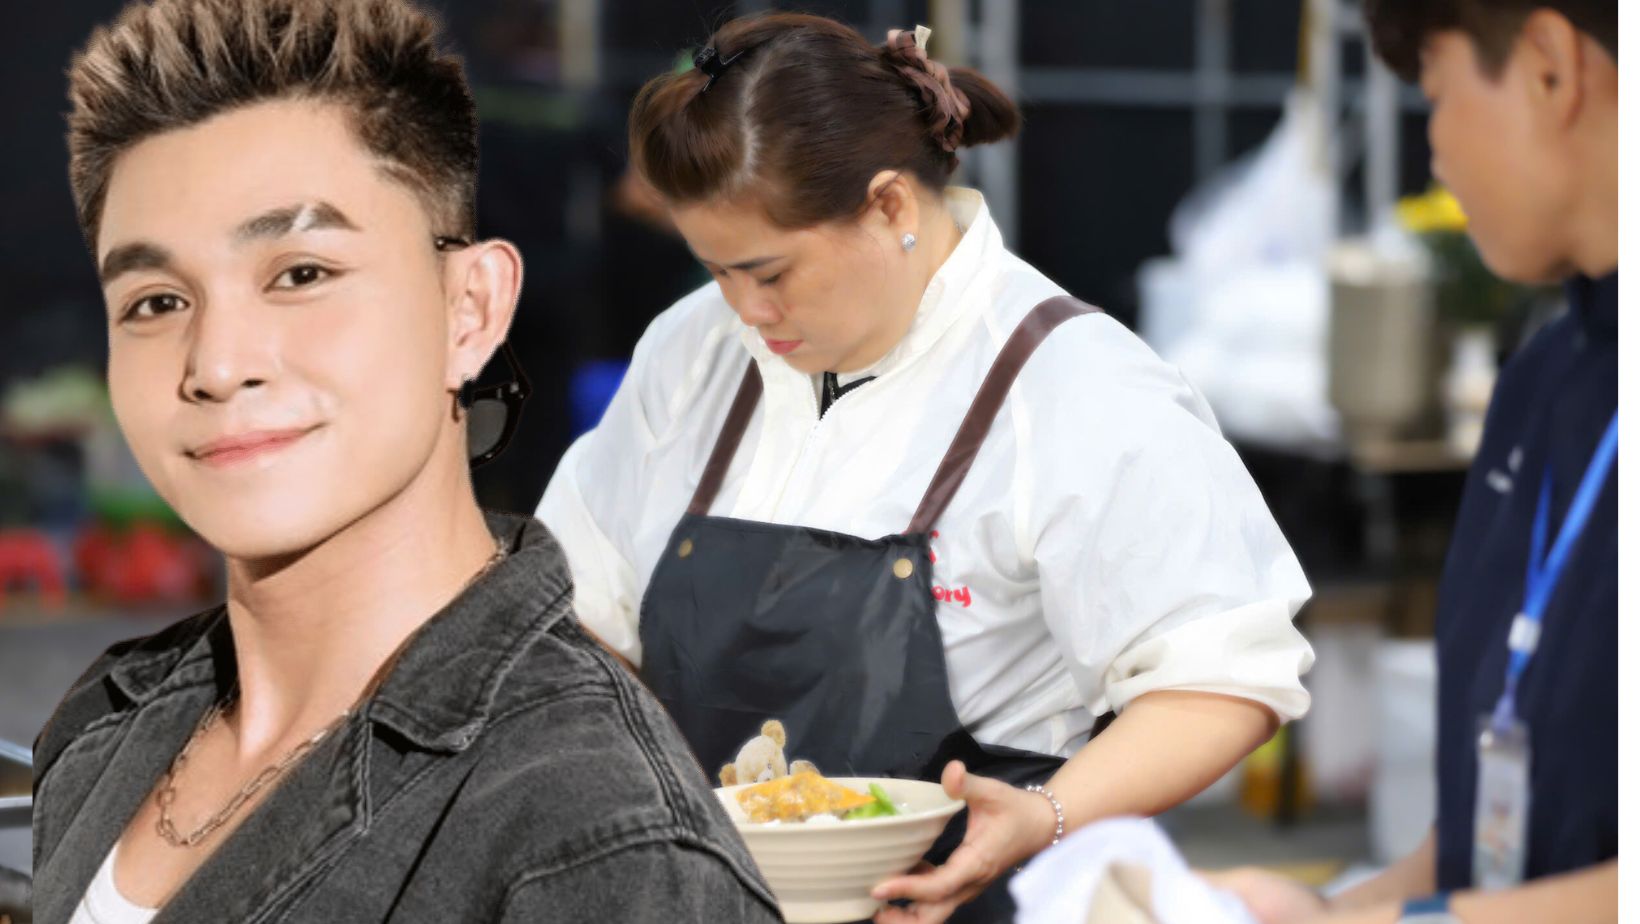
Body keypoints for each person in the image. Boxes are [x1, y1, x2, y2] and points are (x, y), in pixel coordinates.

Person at [537, 12, 1317, 923]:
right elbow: (582, 610)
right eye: (716, 273)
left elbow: (1217, 680)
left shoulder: (1077, 386)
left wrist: (1041, 816)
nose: (745, 310)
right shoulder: (692, 354)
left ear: (891, 207)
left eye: (771, 271)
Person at [31, 1, 782, 921]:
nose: (217, 364)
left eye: (301, 273)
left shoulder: (595, 845)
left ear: (467, 310)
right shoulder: (102, 728)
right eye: (154, 301)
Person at [1209, 2, 1617, 922]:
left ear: (1551, 67)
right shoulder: (1543, 385)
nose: (1436, 156)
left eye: (1436, 96)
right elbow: (1483, 852)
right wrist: (1325, 913)